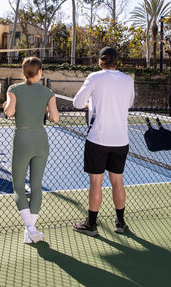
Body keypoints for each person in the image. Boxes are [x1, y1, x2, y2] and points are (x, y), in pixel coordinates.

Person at [72, 47, 135, 236]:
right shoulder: (128, 80)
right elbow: (129, 103)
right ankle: (120, 223)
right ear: (117, 61)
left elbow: (77, 102)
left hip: (98, 140)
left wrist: (90, 103)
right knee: (118, 182)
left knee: (96, 183)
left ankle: (91, 224)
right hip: (121, 140)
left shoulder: (94, 77)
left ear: (101, 61)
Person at [3, 57, 59, 244]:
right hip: (41, 140)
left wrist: (7, 105)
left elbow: (9, 112)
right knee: (37, 186)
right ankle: (31, 230)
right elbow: (55, 118)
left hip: (22, 139)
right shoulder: (48, 92)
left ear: (24, 71)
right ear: (40, 72)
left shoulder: (14, 89)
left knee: (18, 186)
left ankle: (30, 228)